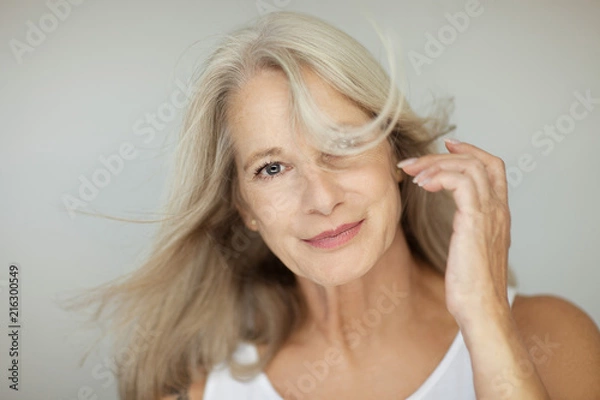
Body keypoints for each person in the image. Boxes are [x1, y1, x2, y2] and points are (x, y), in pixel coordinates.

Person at [67, 10, 600, 400]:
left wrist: (485, 321)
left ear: (395, 153)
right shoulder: (194, 385)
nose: (321, 199)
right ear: (245, 208)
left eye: (342, 145)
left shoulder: (548, 336)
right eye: (272, 168)